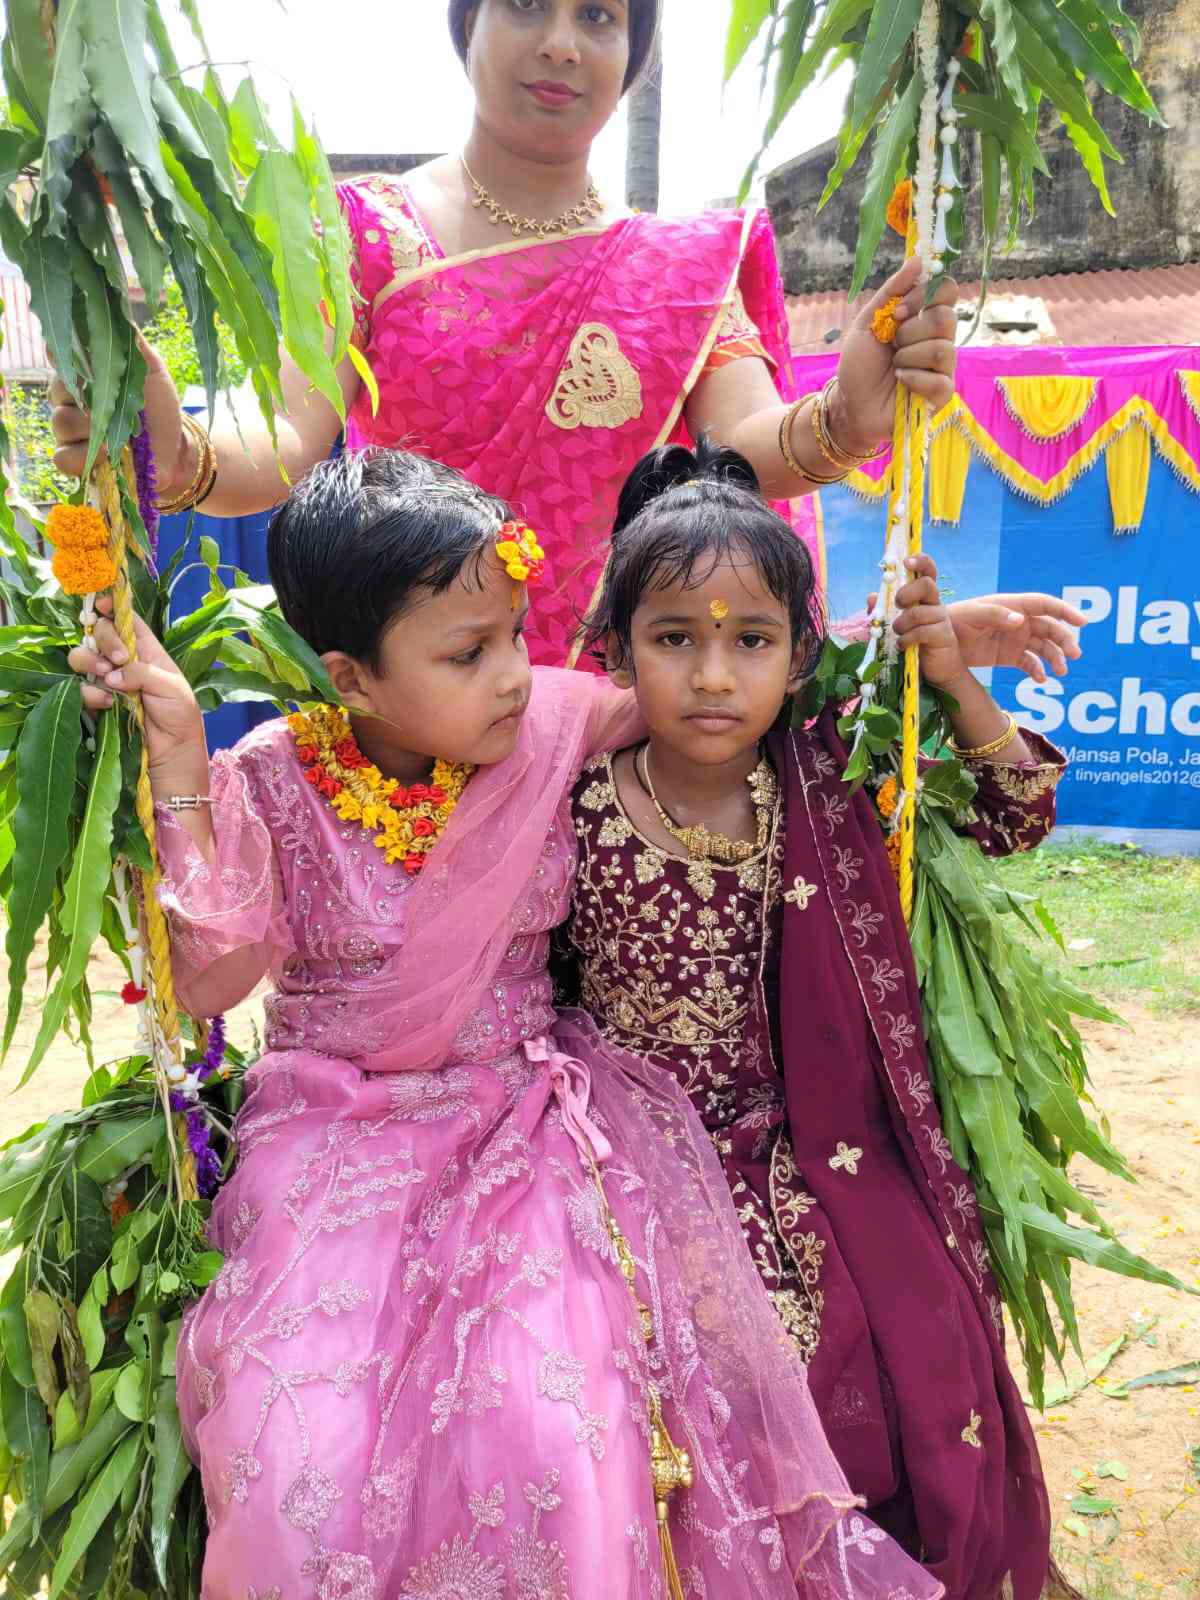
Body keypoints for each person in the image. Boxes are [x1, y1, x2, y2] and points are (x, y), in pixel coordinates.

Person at [68, 447, 944, 1600]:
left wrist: (912, 646)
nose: (515, 677)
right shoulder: (276, 776)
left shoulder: (559, 724)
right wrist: (180, 754)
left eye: (518, 636)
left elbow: (718, 677)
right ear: (352, 677)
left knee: (555, 1425)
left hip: (524, 1128)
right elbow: (213, 980)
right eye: (468, 653)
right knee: (293, 1460)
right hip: (328, 1144)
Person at [48, 0, 1082, 684]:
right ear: (467, 25)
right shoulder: (359, 232)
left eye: (598, 16)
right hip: (424, 705)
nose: (561, 43)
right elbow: (279, 444)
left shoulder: (679, 267)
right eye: (526, 6)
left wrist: (849, 416)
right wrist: (171, 447)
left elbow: (742, 451)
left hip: (620, 726)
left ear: (633, 54)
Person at [562, 439, 1065, 1600]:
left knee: (878, 1333)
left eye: (751, 641)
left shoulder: (836, 779)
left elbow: (1016, 813)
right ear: (617, 650)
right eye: (673, 638)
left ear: (800, 658)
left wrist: (949, 677)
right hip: (611, 1147)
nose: (712, 676)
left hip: (812, 1139)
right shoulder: (573, 799)